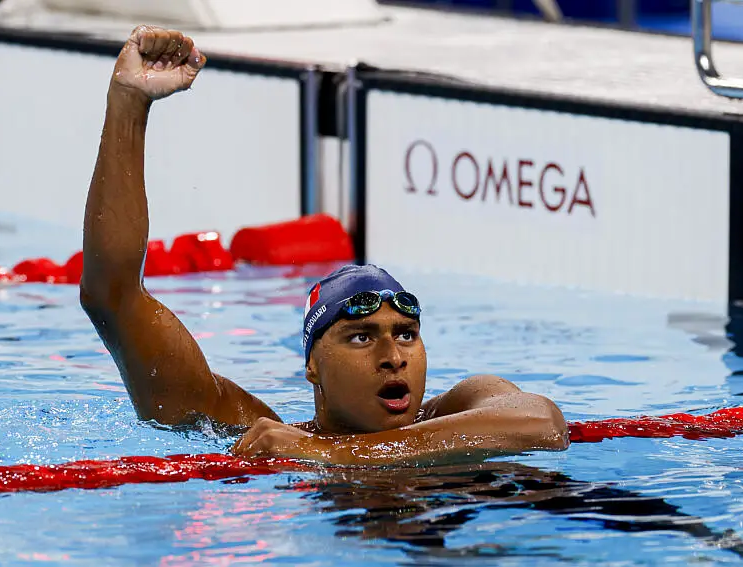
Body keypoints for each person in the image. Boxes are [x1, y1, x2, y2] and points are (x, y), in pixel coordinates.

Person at [80, 25, 569, 466]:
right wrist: (128, 105)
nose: (393, 355)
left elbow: (542, 422)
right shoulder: (263, 435)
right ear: (312, 366)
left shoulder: (460, 406)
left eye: (405, 334)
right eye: (360, 337)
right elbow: (113, 296)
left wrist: (336, 454)